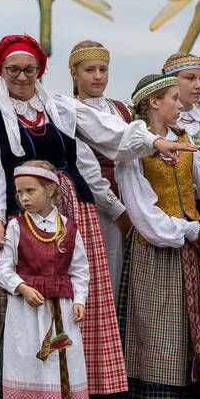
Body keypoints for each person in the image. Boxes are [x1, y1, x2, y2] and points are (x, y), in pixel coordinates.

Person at [0, 35, 194, 399]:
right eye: (14, 70)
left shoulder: (62, 109)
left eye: (30, 69)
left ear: (40, 72)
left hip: (72, 215)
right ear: (2, 73)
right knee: (4, 314)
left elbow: (109, 137)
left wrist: (153, 141)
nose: (23, 77)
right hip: (20, 219)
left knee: (81, 315)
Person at [114, 73, 200, 399]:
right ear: (153, 103)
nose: (181, 104)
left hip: (192, 245)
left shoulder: (183, 138)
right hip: (156, 246)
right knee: (158, 326)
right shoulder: (134, 149)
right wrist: (182, 229)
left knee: (193, 325)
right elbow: (140, 207)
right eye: (175, 98)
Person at [0, 161, 92, 399]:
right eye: (19, 193)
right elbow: (3, 268)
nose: (24, 198)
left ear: (50, 190)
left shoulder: (69, 228)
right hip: (27, 310)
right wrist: (22, 287)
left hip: (60, 308)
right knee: (30, 360)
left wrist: (79, 300)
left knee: (62, 361)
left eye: (30, 191)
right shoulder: (16, 226)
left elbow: (79, 269)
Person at [68, 40, 134, 301]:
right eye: (90, 70)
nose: (98, 76)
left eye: (103, 69)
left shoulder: (121, 109)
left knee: (128, 277)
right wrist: (118, 211)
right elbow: (86, 170)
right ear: (74, 73)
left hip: (129, 197)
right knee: (104, 273)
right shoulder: (70, 112)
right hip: (96, 203)